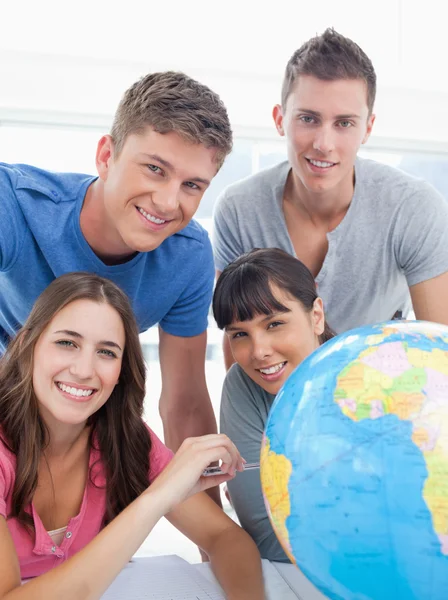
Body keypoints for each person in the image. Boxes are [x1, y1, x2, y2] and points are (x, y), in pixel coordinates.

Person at [0, 72, 232, 481]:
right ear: (107, 157)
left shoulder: (188, 257)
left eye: (192, 185)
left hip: (79, 429)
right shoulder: (15, 205)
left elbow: (184, 403)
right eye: (155, 169)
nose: (167, 202)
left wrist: (208, 539)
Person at [0, 272, 264, 599]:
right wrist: (157, 499)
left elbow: (225, 538)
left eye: (106, 352)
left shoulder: (125, 439)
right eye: (66, 343)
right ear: (27, 345)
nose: (84, 370)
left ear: (121, 370)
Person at [213, 28, 448, 370]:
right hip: (280, 397)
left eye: (344, 123)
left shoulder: (413, 208)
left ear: (367, 128)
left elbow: (439, 352)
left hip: (382, 393)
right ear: (280, 120)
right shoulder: (239, 210)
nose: (324, 143)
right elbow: (239, 349)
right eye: (308, 119)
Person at [214, 248, 334, 562]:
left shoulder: (376, 378)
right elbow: (266, 534)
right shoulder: (242, 386)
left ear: (316, 316)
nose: (259, 352)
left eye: (274, 324)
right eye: (240, 333)